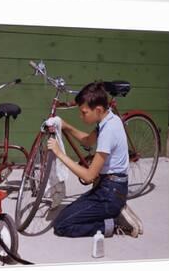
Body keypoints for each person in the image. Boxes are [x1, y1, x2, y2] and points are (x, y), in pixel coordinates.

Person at [47, 82, 140, 237]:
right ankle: (114, 212)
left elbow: (89, 176)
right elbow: (87, 141)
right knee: (67, 214)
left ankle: (116, 224)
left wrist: (60, 153)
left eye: (84, 112)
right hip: (109, 188)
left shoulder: (108, 131)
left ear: (98, 110)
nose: (81, 116)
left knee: (62, 225)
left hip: (109, 194)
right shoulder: (110, 119)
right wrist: (65, 126)